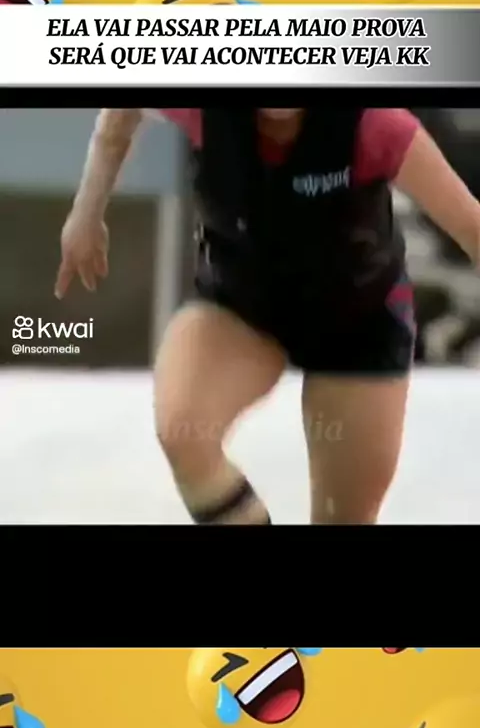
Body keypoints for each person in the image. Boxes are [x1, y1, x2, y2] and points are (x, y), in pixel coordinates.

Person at [55, 107, 480, 525]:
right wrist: (86, 213)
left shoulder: (374, 124)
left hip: (359, 323)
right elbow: (121, 111)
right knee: (183, 429)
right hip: (243, 306)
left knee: (344, 517)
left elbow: (471, 226)